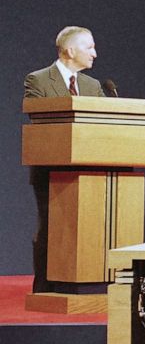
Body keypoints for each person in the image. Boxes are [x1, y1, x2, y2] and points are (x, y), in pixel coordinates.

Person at [24, 26, 105, 293]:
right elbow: (39, 121)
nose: (95, 53)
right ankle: (45, 287)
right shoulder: (38, 80)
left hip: (89, 171)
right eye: (89, 47)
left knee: (83, 228)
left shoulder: (93, 86)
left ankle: (79, 284)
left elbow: (106, 122)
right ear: (71, 51)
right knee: (51, 226)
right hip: (52, 169)